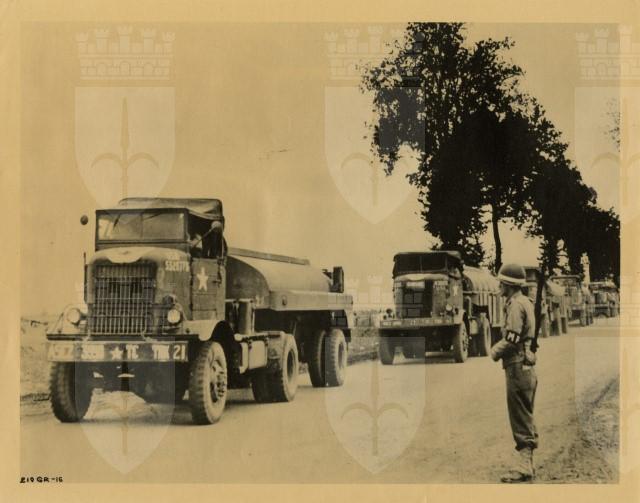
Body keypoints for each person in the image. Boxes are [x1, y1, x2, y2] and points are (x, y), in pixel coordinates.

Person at [491, 263, 539, 483]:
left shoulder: (516, 305)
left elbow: (512, 337)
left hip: (517, 366)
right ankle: (527, 463)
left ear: (508, 285)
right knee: (525, 412)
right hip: (526, 365)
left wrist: (495, 351)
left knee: (519, 415)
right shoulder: (525, 302)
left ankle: (524, 467)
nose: (499, 286)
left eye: (501, 283)